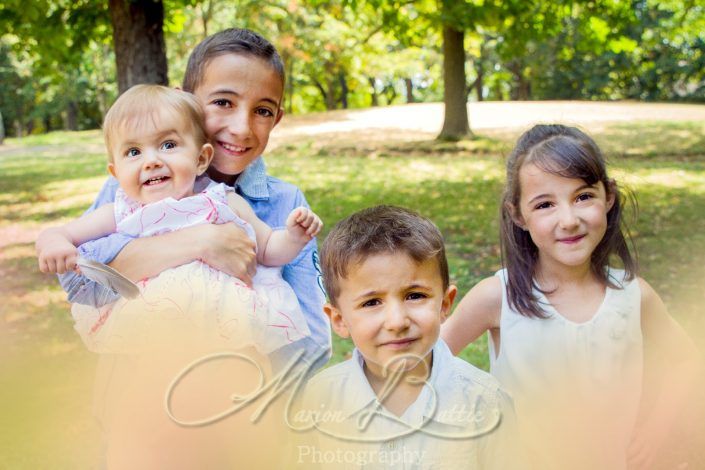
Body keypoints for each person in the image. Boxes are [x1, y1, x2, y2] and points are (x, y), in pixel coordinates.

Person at [56, 28, 330, 367]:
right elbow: (83, 282)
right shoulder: (130, 188)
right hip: (139, 384)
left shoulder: (285, 202)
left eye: (262, 111)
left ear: (277, 119)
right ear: (183, 99)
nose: (242, 127)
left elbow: (313, 340)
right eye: (223, 102)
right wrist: (200, 241)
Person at [441, 124, 700, 469]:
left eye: (583, 197)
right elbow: (424, 366)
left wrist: (656, 428)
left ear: (608, 196)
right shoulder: (498, 297)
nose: (569, 219)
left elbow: (686, 359)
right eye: (545, 204)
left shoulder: (634, 297)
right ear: (518, 214)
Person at [290, 205, 519, 469]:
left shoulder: (486, 401)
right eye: (372, 302)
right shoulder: (317, 400)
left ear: (445, 304)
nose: (397, 321)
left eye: (415, 296)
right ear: (339, 320)